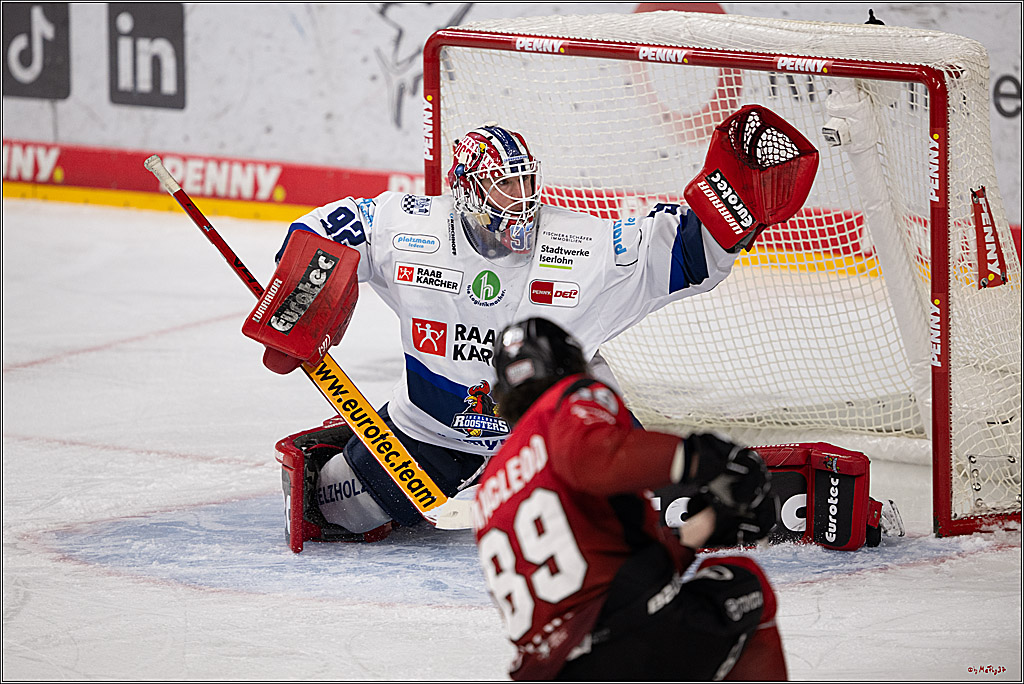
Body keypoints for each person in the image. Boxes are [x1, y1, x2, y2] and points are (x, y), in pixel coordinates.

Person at [262, 113, 816, 543]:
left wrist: (729, 211)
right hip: (427, 432)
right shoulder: (408, 227)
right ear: (465, 193)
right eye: (503, 189)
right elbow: (328, 228)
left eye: (525, 185)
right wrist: (301, 296)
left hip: (563, 439)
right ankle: (348, 452)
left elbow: (678, 252)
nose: (521, 203)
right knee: (336, 511)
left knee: (643, 528)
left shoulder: (583, 248)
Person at [473, 317, 785, 681]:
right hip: (626, 645)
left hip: (547, 671)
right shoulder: (566, 400)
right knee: (745, 583)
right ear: (569, 362)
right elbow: (596, 459)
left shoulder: (491, 484)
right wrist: (707, 458)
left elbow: (603, 570)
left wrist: (702, 530)